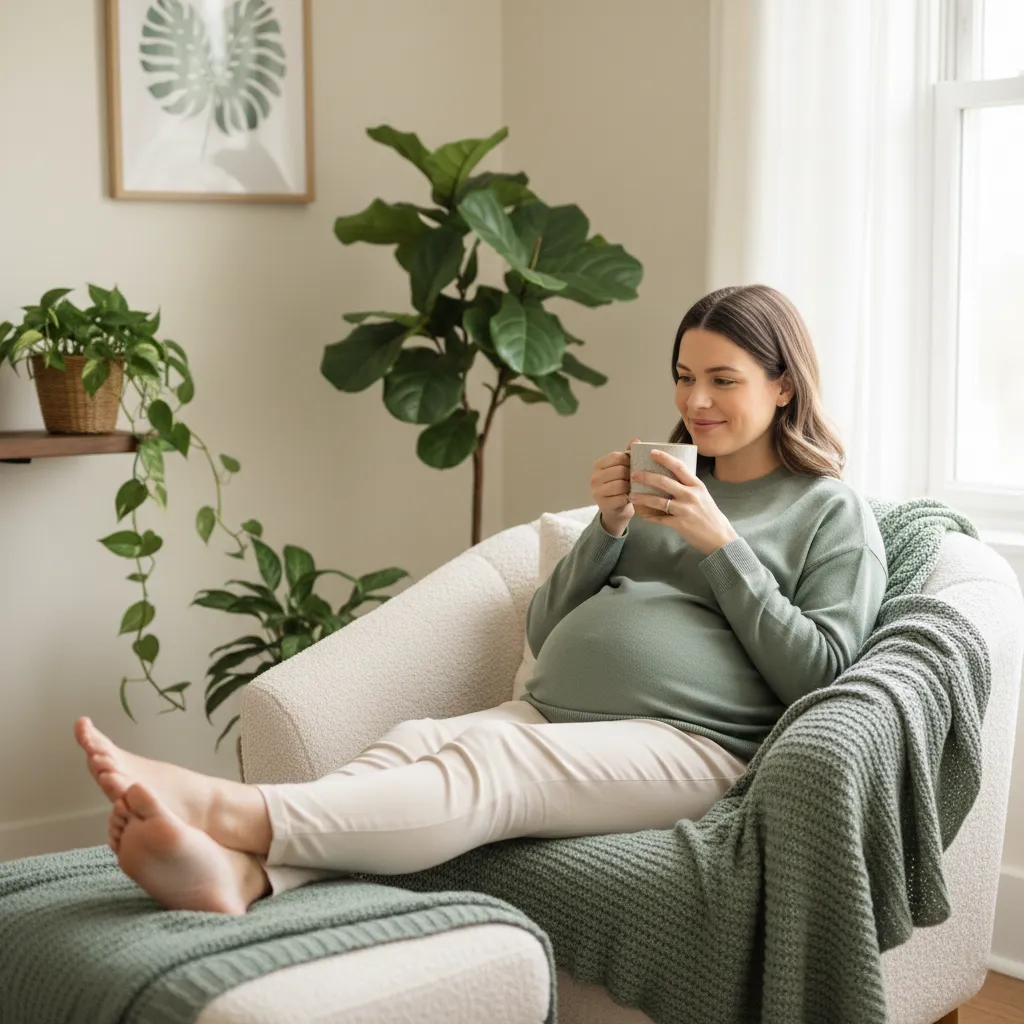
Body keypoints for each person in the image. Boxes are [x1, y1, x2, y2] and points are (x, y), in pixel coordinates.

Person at [74, 283, 888, 916]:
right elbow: (544, 626)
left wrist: (724, 548)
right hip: (553, 714)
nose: (694, 402)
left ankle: (228, 808)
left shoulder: (829, 512)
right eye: (682, 377)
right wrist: (606, 531)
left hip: (697, 745)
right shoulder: (667, 483)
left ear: (783, 387)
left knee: (491, 762)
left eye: (722, 380)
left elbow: (818, 675)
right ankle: (246, 875)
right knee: (414, 742)